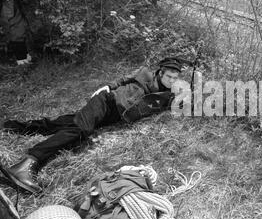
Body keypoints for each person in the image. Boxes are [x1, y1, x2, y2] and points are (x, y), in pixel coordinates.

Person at [0, 57, 182, 194]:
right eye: (169, 76)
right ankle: (27, 163)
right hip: (106, 102)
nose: (172, 80)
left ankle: (17, 127)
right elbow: (122, 80)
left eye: (175, 78)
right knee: (82, 130)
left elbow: (179, 103)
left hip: (112, 117)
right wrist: (107, 87)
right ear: (160, 72)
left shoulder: (165, 95)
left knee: (69, 122)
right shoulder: (144, 73)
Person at [0, 0, 31, 66]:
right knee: (14, 26)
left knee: (18, 26)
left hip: (11, 1)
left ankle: (23, 57)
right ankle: (21, 59)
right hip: (6, 3)